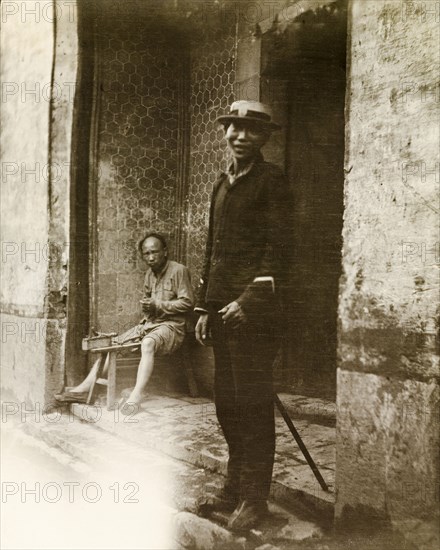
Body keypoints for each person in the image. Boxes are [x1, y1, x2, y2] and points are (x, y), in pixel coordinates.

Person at [195, 100, 291, 531]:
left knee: (252, 407)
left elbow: (281, 250)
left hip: (255, 316)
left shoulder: (273, 182)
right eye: (233, 128)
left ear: (264, 138)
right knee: (228, 406)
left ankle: (256, 500)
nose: (239, 136)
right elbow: (212, 250)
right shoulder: (221, 183)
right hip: (220, 311)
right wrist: (204, 306)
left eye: (250, 130)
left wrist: (248, 300)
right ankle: (233, 488)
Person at [56, 233, 194, 414]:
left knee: (148, 343)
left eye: (155, 252)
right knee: (112, 344)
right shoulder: (149, 275)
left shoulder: (178, 270)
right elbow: (149, 304)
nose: (151, 257)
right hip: (150, 325)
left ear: (165, 252)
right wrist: (147, 309)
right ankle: (84, 389)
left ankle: (135, 396)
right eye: (146, 254)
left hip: (173, 327)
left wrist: (157, 304)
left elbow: (188, 303)